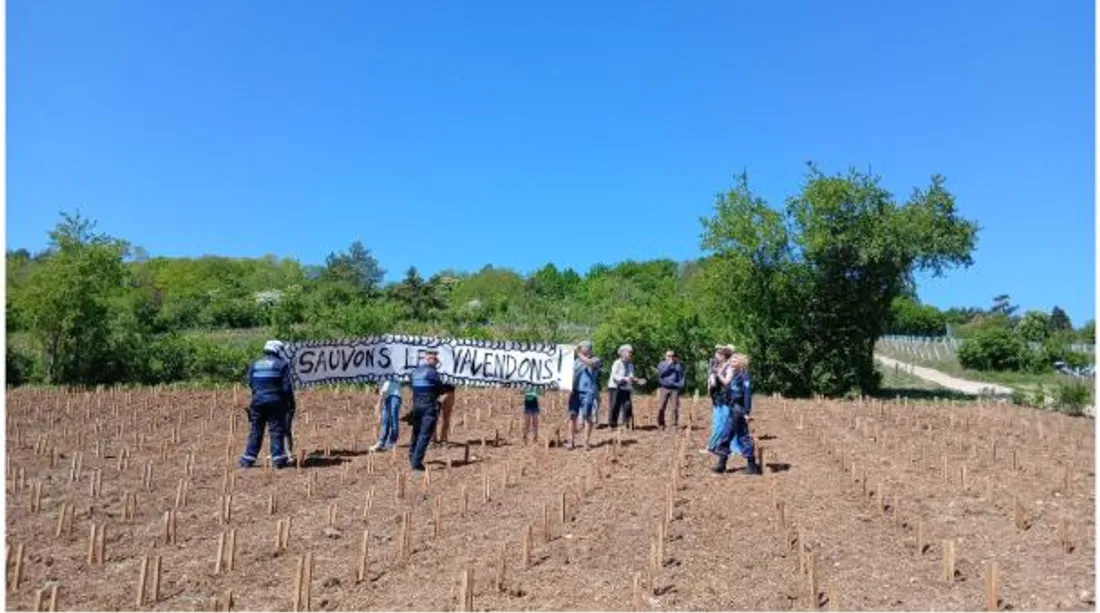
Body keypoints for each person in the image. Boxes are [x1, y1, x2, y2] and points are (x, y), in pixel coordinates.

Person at [240, 340, 295, 469]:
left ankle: (248, 460)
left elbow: (251, 384)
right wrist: (290, 403)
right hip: (275, 402)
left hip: (257, 402)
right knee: (276, 430)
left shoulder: (255, 364)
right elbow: (286, 388)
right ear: (278, 350)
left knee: (255, 431)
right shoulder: (282, 365)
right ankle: (278, 460)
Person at [713, 353, 761, 475]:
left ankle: (722, 464)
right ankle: (751, 465)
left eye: (734, 361)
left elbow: (747, 395)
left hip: (738, 409)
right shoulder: (734, 374)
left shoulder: (744, 376)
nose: (731, 363)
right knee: (742, 435)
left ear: (741, 363)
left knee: (727, 434)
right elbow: (724, 381)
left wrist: (746, 412)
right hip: (732, 407)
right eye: (731, 361)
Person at [408, 348, 446, 471]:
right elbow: (440, 390)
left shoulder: (415, 372)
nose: (436, 362)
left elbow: (411, 386)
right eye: (435, 359)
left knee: (416, 433)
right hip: (429, 406)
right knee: (424, 435)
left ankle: (411, 457)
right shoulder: (432, 373)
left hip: (416, 405)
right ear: (431, 359)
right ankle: (416, 463)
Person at [568, 341, 602, 450]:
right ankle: (571, 441)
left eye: (581, 347)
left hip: (588, 392)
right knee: (572, 415)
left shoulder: (596, 359)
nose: (579, 348)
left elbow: (590, 363)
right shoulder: (576, 362)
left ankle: (586, 442)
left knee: (587, 416)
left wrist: (578, 353)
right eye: (579, 348)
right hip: (575, 391)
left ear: (588, 349)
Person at [607, 345, 637, 430]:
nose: (631, 354)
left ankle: (626, 423)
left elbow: (631, 375)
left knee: (628, 405)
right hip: (615, 387)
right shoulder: (617, 363)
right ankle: (612, 424)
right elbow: (614, 376)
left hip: (626, 388)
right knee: (614, 406)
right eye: (629, 352)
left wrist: (632, 378)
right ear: (623, 353)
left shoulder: (631, 365)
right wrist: (625, 378)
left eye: (631, 352)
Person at [656, 350, 685, 430]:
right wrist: (669, 365)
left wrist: (680, 384)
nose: (671, 357)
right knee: (661, 407)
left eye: (672, 356)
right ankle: (661, 424)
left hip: (675, 389)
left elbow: (681, 376)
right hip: (664, 388)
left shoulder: (678, 365)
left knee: (674, 407)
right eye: (669, 356)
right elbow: (661, 373)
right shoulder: (661, 364)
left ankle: (673, 425)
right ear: (665, 356)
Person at [371, 378, 403, 452]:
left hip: (394, 396)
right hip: (386, 397)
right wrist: (378, 387)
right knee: (385, 421)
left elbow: (385, 387)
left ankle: (392, 443)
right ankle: (382, 443)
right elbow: (379, 389)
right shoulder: (380, 373)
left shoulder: (392, 370)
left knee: (393, 420)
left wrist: (379, 402)